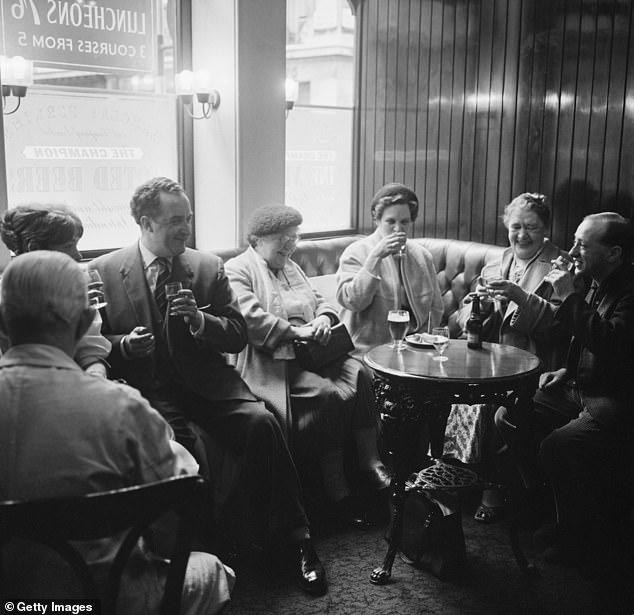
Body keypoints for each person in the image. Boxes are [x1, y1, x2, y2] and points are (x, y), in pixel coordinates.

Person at [90, 177, 327, 596]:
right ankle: (208, 546)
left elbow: (237, 334)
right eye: (175, 220)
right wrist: (124, 344)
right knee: (178, 444)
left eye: (189, 218)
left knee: (262, 423)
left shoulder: (206, 267)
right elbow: (92, 342)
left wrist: (201, 322)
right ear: (146, 222)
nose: (186, 228)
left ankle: (298, 540)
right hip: (151, 390)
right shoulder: (104, 271)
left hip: (210, 384)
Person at [0, 250, 234, 614]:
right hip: (114, 597)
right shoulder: (121, 407)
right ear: (83, 324)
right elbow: (181, 487)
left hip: (15, 600)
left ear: (2, 323)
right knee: (215, 571)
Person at [495, 212, 634, 605]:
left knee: (560, 446)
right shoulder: (594, 280)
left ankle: (582, 539)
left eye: (583, 245)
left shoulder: (629, 290)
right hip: (581, 386)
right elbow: (579, 335)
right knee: (509, 415)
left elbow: (615, 345)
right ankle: (552, 513)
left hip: (618, 399)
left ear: (614, 253)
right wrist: (565, 370)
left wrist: (569, 297)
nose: (573, 251)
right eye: (573, 241)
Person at [225, 204, 390, 526]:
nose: (290, 245)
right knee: (326, 395)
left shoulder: (291, 266)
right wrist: (298, 330)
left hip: (313, 353)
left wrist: (326, 319)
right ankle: (337, 489)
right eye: (282, 239)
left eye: (294, 238)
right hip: (271, 361)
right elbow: (250, 318)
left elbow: (319, 299)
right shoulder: (237, 269)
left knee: (361, 373)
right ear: (257, 240)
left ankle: (371, 463)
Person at [446, 193, 571, 523]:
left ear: (546, 229)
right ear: (506, 226)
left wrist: (518, 295)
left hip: (536, 362)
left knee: (491, 404)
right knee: (462, 393)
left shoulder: (560, 266)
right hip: (491, 358)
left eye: (532, 227)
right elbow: (464, 317)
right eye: (516, 226)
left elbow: (559, 327)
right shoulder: (496, 262)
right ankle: (459, 475)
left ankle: (493, 488)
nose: (522, 235)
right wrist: (479, 307)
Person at [0, 203, 111, 376]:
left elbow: (90, 354)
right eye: (68, 246)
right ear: (34, 248)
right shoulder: (4, 297)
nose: (78, 255)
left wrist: (96, 375)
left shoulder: (76, 289)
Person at [336, 182, 444, 358]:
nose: (398, 229)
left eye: (404, 222)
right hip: (366, 350)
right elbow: (353, 301)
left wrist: (425, 343)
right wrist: (376, 257)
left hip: (413, 350)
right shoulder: (356, 252)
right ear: (377, 219)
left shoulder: (422, 256)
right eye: (390, 221)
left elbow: (436, 307)